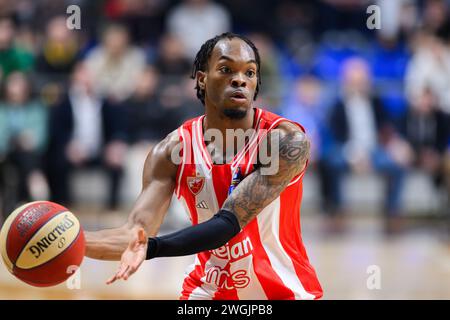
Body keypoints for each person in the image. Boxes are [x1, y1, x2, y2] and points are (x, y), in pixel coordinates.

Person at [85, 33, 323, 300]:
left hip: (282, 292)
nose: (240, 79)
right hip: (206, 291)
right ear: (202, 79)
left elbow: (227, 223)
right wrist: (71, 241)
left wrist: (152, 248)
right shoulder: (171, 151)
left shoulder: (284, 141)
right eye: (226, 69)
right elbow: (134, 235)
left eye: (250, 72)